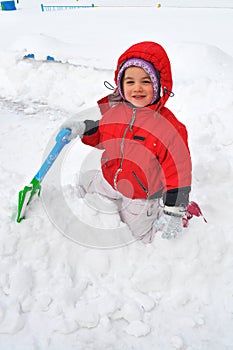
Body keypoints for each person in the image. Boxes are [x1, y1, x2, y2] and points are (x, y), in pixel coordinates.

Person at [61, 41, 192, 242]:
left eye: (146, 81)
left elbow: (179, 172)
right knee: (85, 180)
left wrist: (175, 210)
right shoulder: (116, 112)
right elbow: (102, 133)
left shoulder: (169, 129)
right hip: (109, 179)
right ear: (121, 84)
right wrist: (82, 129)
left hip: (140, 197)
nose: (137, 88)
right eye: (130, 82)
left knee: (140, 238)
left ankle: (185, 215)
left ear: (159, 86)